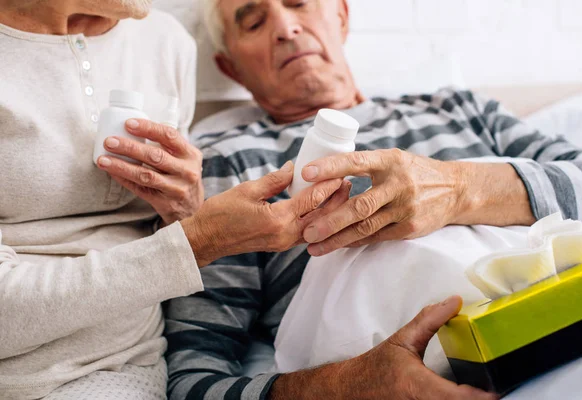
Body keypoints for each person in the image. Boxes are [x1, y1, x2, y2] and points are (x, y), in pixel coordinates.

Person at [165, 0, 582, 399]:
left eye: (299, 3)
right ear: (232, 67)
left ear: (341, 16)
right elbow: (193, 377)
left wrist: (459, 188)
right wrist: (352, 384)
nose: (285, 27)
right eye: (255, 23)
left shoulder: (459, 108)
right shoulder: (232, 164)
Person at [0, 1, 345, 399]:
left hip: (133, 364)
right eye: (253, 23)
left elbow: (164, 244)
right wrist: (199, 240)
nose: (286, 29)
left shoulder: (164, 41)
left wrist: (183, 212)